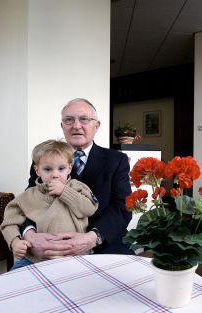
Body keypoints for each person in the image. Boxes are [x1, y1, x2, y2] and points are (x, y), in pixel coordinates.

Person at [22, 98, 133, 257]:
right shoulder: (44, 160)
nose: (76, 126)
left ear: (97, 125)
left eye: (84, 119)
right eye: (69, 120)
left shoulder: (116, 160)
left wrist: (92, 238)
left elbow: (122, 207)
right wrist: (30, 235)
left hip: (104, 242)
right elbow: (29, 201)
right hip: (55, 245)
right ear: (62, 126)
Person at [0, 139, 98, 269]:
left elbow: (89, 208)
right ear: (37, 170)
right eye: (47, 169)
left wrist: (65, 191)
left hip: (76, 256)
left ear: (70, 168)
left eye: (61, 169)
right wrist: (15, 241)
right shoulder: (29, 195)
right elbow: (9, 222)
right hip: (36, 259)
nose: (55, 175)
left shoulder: (78, 188)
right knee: (13, 282)